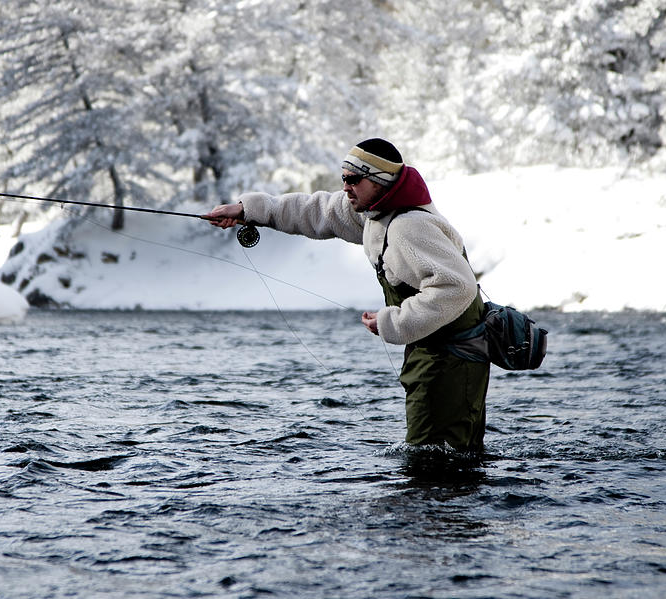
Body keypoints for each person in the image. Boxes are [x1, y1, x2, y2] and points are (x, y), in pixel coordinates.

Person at [206, 138, 489, 451]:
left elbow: (457, 286)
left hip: (451, 359)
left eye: (354, 180)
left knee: (434, 463)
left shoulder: (409, 226)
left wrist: (393, 322)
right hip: (436, 351)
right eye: (343, 178)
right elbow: (315, 211)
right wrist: (250, 211)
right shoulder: (376, 213)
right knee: (451, 460)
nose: (345, 187)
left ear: (380, 181)